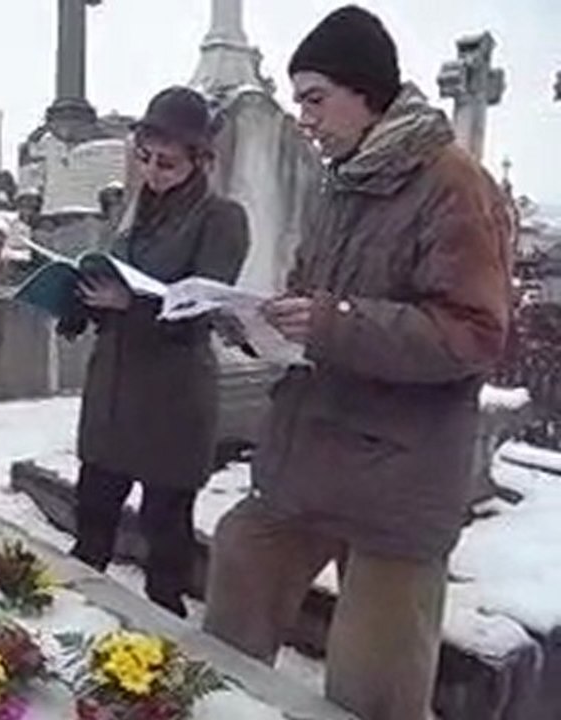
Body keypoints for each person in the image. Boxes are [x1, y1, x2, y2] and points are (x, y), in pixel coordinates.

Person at [202, 7, 513, 720]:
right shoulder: (343, 182)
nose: (304, 118)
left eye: (315, 98)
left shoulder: (453, 185)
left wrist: (335, 323)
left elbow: (473, 334)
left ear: (365, 90)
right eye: (297, 101)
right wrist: (265, 321)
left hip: (397, 482)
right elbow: (317, 301)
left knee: (374, 693)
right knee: (238, 570)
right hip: (309, 458)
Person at [62, 86, 250, 618]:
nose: (152, 172)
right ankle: (79, 636)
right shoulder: (134, 210)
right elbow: (111, 278)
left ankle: (162, 675)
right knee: (90, 531)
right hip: (112, 398)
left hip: (171, 402)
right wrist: (79, 304)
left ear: (200, 160)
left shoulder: (221, 219)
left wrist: (129, 304)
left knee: (164, 548)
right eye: (143, 158)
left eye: (167, 163)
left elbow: (199, 309)